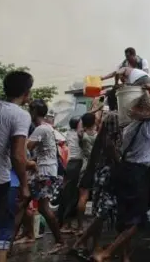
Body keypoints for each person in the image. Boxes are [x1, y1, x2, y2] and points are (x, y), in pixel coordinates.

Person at [92, 85, 150, 262]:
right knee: (137, 220)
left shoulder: (129, 128)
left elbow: (120, 150)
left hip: (124, 169)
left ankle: (125, 256)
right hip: (138, 173)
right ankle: (107, 253)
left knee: (124, 218)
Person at [70, 88, 122, 256]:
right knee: (102, 211)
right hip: (105, 170)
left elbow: (82, 127)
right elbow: (109, 144)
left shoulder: (87, 133)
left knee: (90, 202)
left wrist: (93, 109)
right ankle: (88, 244)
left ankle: (83, 233)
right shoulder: (112, 120)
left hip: (90, 167)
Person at [0, 71, 33, 262]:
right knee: (1, 230)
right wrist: (25, 186)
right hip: (0, 179)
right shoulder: (20, 115)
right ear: (26, 93)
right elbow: (18, 156)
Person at [25, 99, 65, 254]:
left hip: (44, 172)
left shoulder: (41, 129)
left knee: (42, 207)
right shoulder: (45, 128)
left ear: (34, 112)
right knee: (24, 203)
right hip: (43, 171)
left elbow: (27, 146)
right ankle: (24, 236)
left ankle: (60, 241)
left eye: (30, 110)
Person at [58, 117, 83, 234]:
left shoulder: (69, 133)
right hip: (76, 165)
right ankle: (65, 224)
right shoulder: (78, 135)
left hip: (71, 165)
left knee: (69, 194)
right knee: (72, 196)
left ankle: (65, 223)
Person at [75, 113, 98, 234]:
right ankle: (95, 227)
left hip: (85, 167)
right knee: (98, 198)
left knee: (83, 197)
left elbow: (79, 123)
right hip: (97, 167)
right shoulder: (99, 135)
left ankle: (80, 227)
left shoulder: (81, 135)